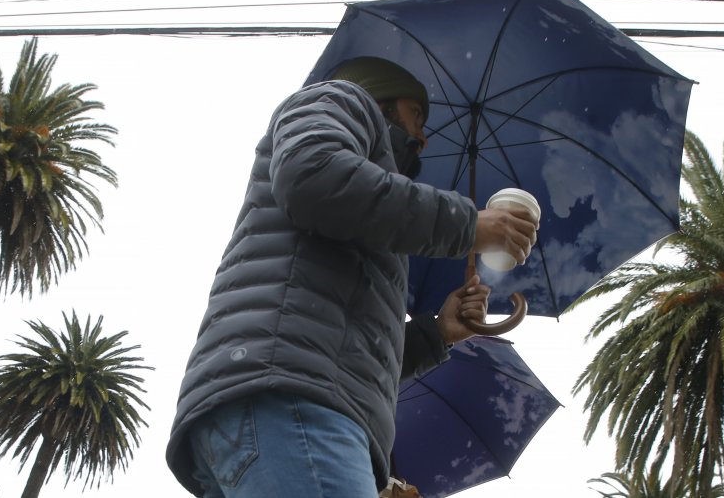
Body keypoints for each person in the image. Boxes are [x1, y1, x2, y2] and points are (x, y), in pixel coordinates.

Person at [166, 56, 538, 498]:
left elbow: (344, 351)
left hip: (278, 404)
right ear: (383, 99)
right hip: (293, 403)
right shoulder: (342, 98)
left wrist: (439, 333)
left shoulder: (368, 220)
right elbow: (311, 176)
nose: (423, 134)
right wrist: (468, 226)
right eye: (416, 113)